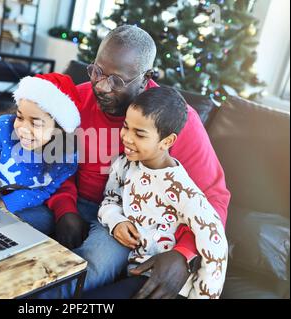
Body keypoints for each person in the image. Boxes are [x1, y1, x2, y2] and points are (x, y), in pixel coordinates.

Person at [27, 25, 230, 299]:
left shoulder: (176, 121)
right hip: (72, 201)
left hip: (127, 219)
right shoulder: (75, 101)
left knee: (88, 267)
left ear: (146, 78)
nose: (101, 86)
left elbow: (214, 198)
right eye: (97, 71)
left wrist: (184, 253)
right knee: (9, 226)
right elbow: (54, 165)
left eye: (116, 80)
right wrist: (64, 208)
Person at [91, 87, 228, 299]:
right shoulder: (124, 165)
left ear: (167, 141)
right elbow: (110, 199)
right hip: (136, 273)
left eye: (139, 134)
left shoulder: (182, 189)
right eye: (126, 127)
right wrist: (116, 220)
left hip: (168, 288)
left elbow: (215, 242)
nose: (126, 137)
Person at [0, 73, 81, 229]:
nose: (23, 129)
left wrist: (7, 204)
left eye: (36, 124)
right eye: (20, 118)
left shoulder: (67, 158)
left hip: (16, 204)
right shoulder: (1, 128)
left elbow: (45, 189)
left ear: (60, 130)